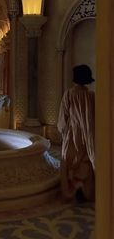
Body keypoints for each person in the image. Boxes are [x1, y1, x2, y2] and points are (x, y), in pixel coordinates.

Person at [57, 64, 95, 202]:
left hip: (72, 134)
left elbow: (63, 117)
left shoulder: (69, 93)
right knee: (85, 160)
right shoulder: (91, 95)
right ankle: (83, 188)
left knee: (70, 159)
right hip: (88, 135)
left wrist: (63, 131)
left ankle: (72, 187)